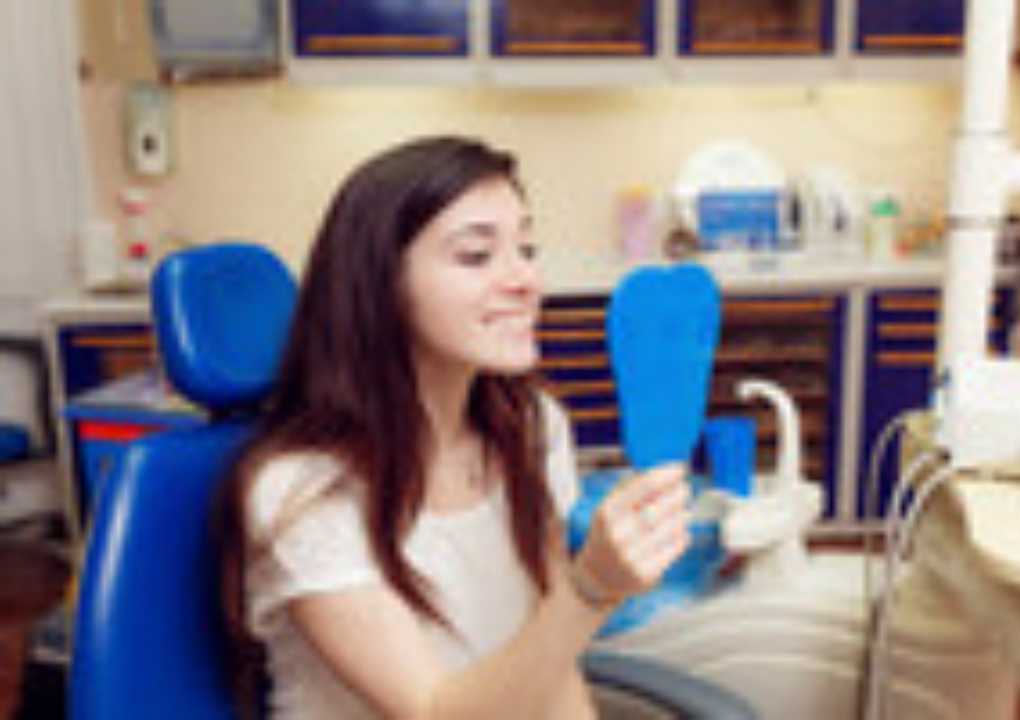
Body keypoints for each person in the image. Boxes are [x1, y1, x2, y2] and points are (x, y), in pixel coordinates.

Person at [219, 136, 691, 719]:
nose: (525, 281)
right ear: (381, 285)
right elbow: (436, 712)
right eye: (476, 256)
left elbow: (550, 658)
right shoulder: (303, 491)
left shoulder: (532, 428)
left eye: (527, 247)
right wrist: (590, 587)